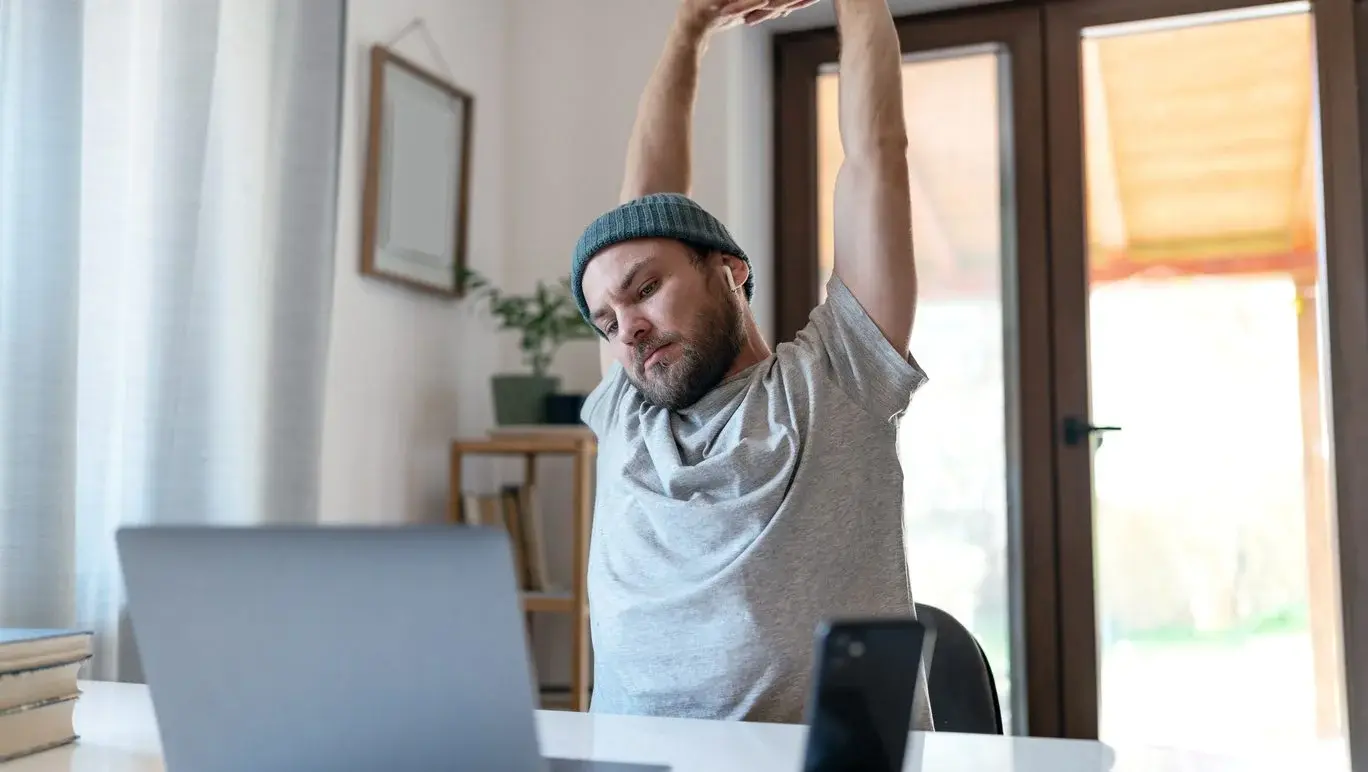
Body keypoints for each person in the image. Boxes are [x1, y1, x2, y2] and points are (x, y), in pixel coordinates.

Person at [570, 0, 931, 729]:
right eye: (606, 321)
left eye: (646, 290)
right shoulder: (626, 414)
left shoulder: (838, 380)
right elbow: (642, 209)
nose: (629, 330)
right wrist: (689, 25)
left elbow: (875, 157)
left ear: (729, 270)